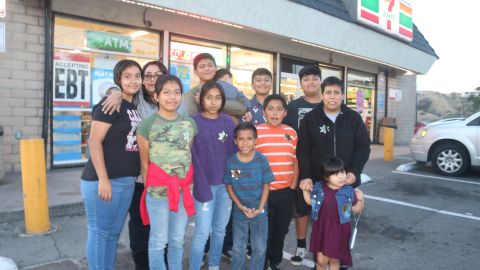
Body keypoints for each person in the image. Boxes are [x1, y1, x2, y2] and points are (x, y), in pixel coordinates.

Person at [98, 60, 169, 270]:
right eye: (147, 75)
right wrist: (114, 91)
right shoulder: (135, 99)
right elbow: (104, 86)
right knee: (140, 224)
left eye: (158, 75)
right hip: (139, 177)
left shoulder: (171, 100)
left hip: (165, 178)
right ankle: (142, 265)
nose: (152, 80)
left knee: (162, 225)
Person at [297, 76, 371, 269]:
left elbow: (363, 147)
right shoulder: (310, 118)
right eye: (328, 92)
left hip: (345, 181)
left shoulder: (353, 118)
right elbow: (302, 149)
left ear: (343, 95)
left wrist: (355, 172)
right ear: (322, 94)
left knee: (343, 223)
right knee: (322, 223)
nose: (332, 96)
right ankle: (320, 262)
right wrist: (305, 176)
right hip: (320, 183)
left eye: (336, 92)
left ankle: (339, 259)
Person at [80, 59, 142, 270]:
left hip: (127, 181)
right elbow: (94, 141)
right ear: (118, 79)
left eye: (137, 76)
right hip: (104, 181)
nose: (133, 81)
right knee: (99, 232)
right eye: (127, 76)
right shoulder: (110, 103)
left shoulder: (133, 106)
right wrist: (103, 180)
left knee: (113, 233)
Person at [137, 75, 197, 270]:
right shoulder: (147, 125)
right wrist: (152, 189)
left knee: (177, 240)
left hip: (182, 191)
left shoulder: (190, 124)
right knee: (158, 241)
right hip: (157, 193)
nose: (172, 97)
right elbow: (145, 164)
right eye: (166, 92)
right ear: (156, 96)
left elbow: (187, 153)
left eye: (177, 92)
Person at [222, 67, 273, 258]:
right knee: (241, 203)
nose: (262, 83)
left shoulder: (274, 105)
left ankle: (257, 246)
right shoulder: (245, 106)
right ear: (252, 84)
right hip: (243, 164)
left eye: (266, 80)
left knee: (262, 207)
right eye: (258, 80)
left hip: (265, 164)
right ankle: (238, 246)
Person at [188, 81, 236, 270]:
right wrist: (201, 185)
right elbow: (192, 157)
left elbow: (234, 155)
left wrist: (234, 181)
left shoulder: (228, 122)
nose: (213, 102)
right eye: (209, 97)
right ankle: (194, 266)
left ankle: (214, 265)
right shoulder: (193, 122)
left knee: (220, 231)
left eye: (218, 97)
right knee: (202, 232)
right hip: (204, 187)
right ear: (201, 99)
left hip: (225, 187)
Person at [282, 65, 322, 265]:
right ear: (301, 84)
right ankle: (300, 246)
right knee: (301, 208)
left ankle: (321, 249)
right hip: (300, 165)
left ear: (320, 81)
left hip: (326, 168)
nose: (311, 82)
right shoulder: (293, 107)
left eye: (315, 78)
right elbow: (285, 134)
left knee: (324, 210)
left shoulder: (330, 104)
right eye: (306, 79)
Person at [255, 94, 298, 270]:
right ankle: (262, 263)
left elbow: (295, 161)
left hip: (285, 192)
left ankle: (275, 262)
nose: (275, 113)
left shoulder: (292, 133)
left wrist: (293, 186)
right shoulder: (255, 132)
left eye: (279, 109)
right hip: (263, 193)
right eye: (270, 109)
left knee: (280, 231)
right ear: (264, 111)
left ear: (285, 112)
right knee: (264, 232)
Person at [224, 123, 274, 270]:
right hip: (240, 212)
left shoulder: (261, 160)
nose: (245, 143)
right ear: (235, 141)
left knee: (259, 248)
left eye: (249, 139)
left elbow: (266, 185)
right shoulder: (232, 162)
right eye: (241, 139)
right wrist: (240, 206)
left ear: (255, 140)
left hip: (260, 212)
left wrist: (259, 208)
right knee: (238, 248)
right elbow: (230, 186)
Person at [301, 157, 364, 270]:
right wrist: (305, 191)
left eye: (342, 172)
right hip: (322, 229)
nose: (341, 176)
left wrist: (361, 200)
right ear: (326, 177)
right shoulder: (319, 188)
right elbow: (310, 202)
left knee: (335, 260)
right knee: (321, 261)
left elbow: (357, 209)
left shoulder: (348, 191)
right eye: (335, 174)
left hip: (339, 231)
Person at [181, 53, 249, 118]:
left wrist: (208, 102)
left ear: (216, 68)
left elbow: (242, 108)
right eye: (202, 66)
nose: (207, 69)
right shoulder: (191, 94)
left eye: (210, 65)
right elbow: (192, 121)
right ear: (195, 71)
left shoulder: (225, 87)